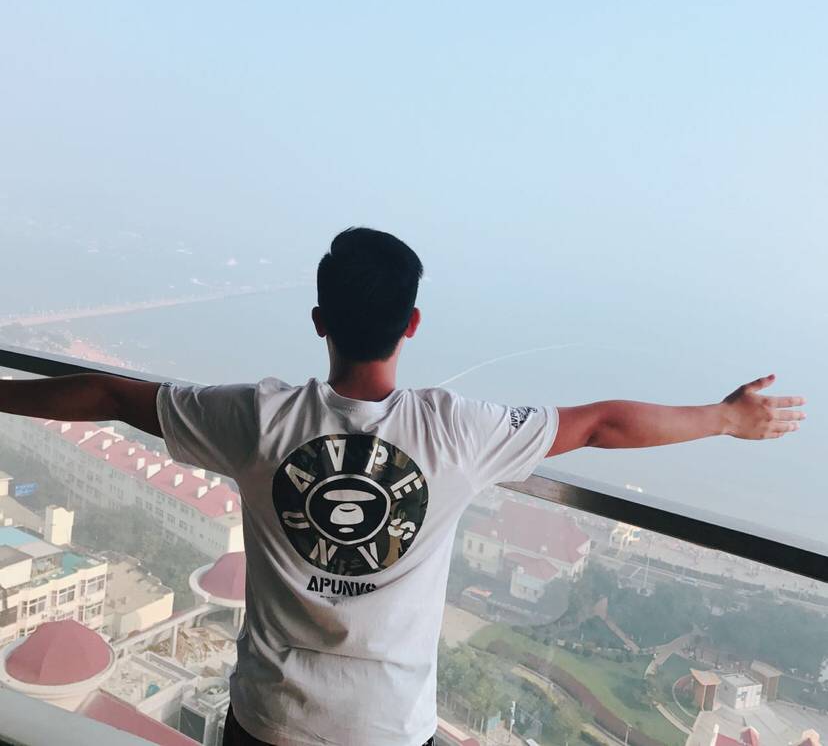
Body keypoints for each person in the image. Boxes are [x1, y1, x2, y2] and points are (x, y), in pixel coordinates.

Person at [0, 227, 806, 746]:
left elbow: (106, 394)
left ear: (320, 320)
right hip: (386, 728)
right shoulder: (455, 431)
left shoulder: (256, 418)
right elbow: (601, 425)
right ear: (412, 323)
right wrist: (725, 418)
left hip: (270, 720)